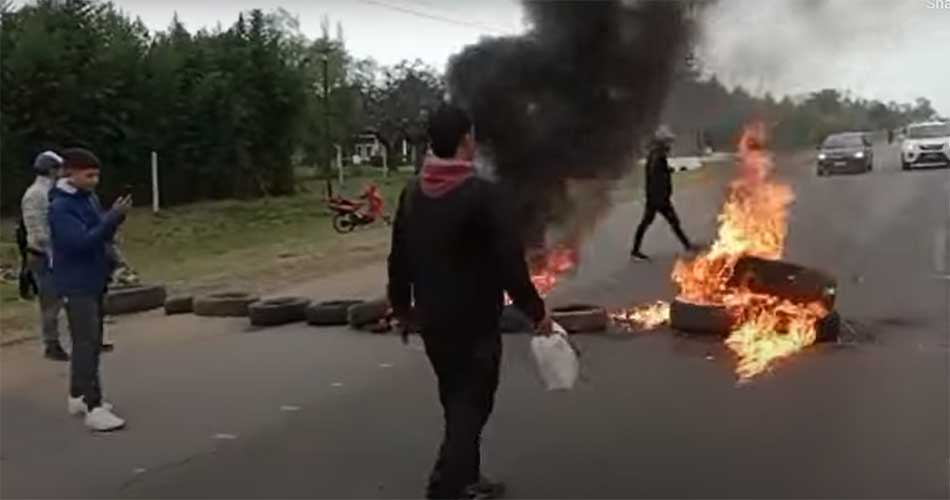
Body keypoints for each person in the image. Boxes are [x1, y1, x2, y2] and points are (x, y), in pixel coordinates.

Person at [387, 104, 551, 500]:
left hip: (432, 321)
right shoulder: (483, 195)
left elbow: (399, 260)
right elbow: (510, 264)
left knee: (456, 399)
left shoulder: (412, 193)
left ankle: (468, 479)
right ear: (465, 140)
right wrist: (536, 311)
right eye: (472, 136)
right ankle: (445, 486)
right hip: (475, 322)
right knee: (472, 406)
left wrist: (403, 309)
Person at [49, 147, 131, 431]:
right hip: (76, 283)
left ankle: (77, 395)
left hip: (95, 278)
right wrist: (111, 219)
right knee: (87, 343)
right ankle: (93, 406)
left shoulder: (89, 198)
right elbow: (80, 243)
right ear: (69, 173)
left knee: (92, 341)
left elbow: (100, 234)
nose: (94, 181)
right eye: (89, 176)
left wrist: (113, 223)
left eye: (97, 175)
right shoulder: (60, 207)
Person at [20, 151, 69, 361]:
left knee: (60, 299)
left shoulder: (51, 191)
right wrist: (53, 251)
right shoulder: (35, 194)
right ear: (51, 170)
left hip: (54, 252)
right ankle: (51, 344)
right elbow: (38, 232)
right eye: (59, 168)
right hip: (43, 255)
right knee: (50, 302)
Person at [630, 126, 696, 261]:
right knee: (669, 222)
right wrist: (661, 195)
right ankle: (687, 246)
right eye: (667, 144)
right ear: (662, 144)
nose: (669, 147)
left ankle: (635, 251)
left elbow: (659, 172)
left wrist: (670, 170)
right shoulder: (658, 157)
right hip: (658, 198)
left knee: (652, 223)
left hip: (655, 197)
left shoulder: (655, 156)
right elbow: (657, 175)